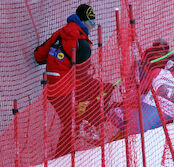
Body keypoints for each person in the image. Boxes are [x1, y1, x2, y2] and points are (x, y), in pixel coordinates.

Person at [34, 4, 114, 158]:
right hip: (66, 88)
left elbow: (39, 55)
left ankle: (83, 122)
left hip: (52, 88)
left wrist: (56, 59)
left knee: (72, 120)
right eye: (91, 23)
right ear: (83, 22)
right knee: (105, 90)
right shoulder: (83, 43)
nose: (92, 27)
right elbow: (81, 75)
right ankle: (87, 124)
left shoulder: (60, 33)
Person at [108, 54, 174, 135]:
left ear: (170, 64)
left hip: (137, 124)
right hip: (156, 132)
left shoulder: (158, 72)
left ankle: (117, 134)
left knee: (112, 111)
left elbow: (138, 93)